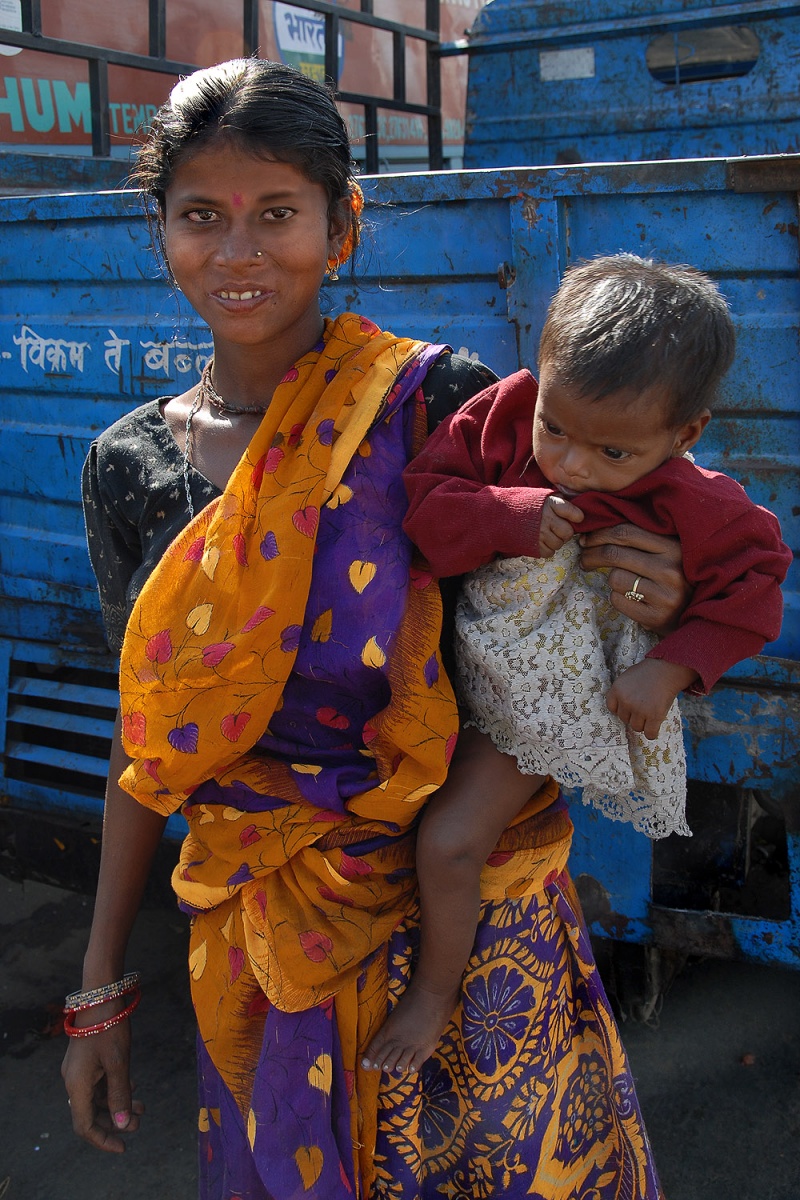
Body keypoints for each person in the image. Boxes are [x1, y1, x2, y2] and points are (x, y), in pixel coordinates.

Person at [61, 59, 692, 1200]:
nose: (239, 251)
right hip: (259, 931)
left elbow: (553, 620)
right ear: (158, 230)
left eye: (277, 214)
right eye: (202, 216)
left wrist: (651, 598)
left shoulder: (432, 403)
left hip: (467, 918)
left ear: (341, 226)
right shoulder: (131, 467)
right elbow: (143, 743)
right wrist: (99, 983)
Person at [363, 255, 791, 1077]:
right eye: (555, 430)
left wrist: (670, 669)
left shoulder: (694, 499)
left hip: (547, 704)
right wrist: (509, 511)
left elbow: (755, 586)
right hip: (455, 673)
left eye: (613, 453)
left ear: (685, 434)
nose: (573, 466)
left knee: (451, 842)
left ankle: (432, 996)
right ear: (540, 370)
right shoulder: (504, 414)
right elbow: (426, 509)